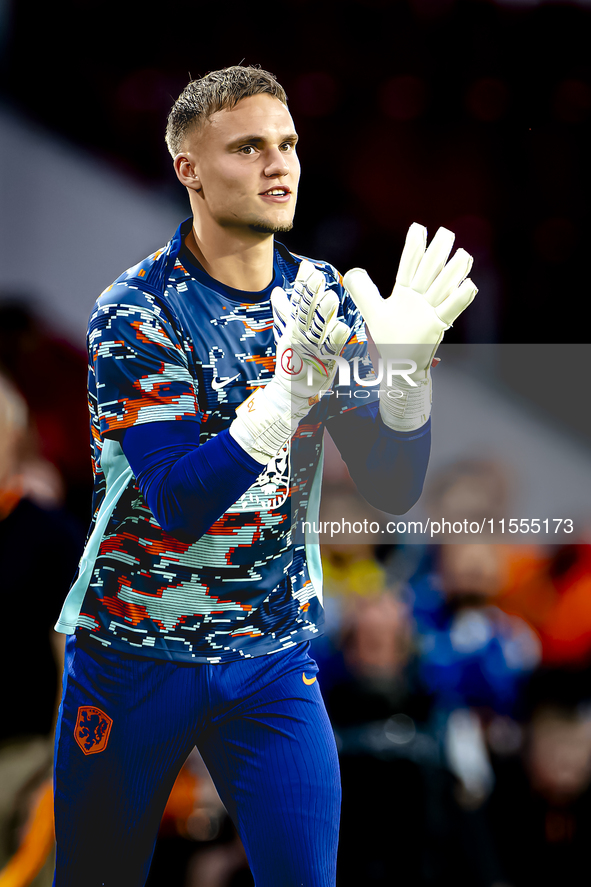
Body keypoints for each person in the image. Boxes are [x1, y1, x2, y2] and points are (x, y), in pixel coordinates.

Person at [51, 65, 477, 887]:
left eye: (286, 145)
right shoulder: (136, 308)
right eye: (248, 148)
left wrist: (407, 382)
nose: (279, 165)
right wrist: (285, 397)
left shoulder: (320, 292)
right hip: (135, 652)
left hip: (272, 656)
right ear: (190, 169)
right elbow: (176, 502)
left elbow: (389, 486)